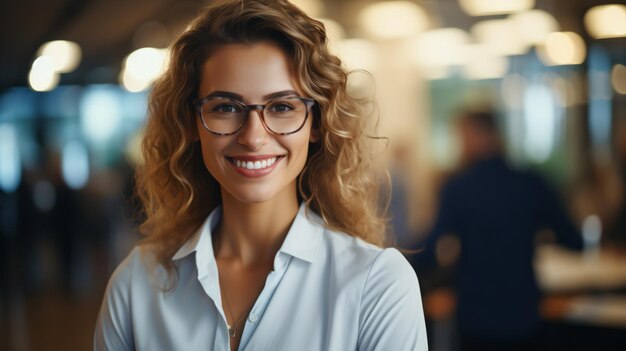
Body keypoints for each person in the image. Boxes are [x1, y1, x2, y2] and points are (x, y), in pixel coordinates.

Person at [93, 1, 427, 350]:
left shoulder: (376, 285)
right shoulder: (137, 285)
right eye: (226, 107)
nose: (253, 137)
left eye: (282, 107)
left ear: (316, 123)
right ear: (192, 123)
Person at [414, 108, 583, 351]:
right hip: (523, 315)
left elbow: (430, 250)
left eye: (462, 137)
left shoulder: (458, 189)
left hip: (476, 317)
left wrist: (394, 260)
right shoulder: (531, 184)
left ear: (478, 135)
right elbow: (572, 239)